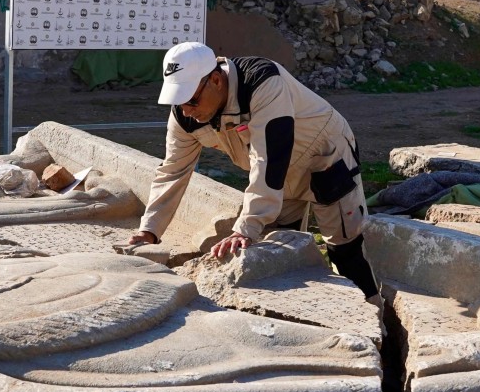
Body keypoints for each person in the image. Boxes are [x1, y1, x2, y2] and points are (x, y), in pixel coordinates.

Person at [126, 42, 380, 300]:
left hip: (326, 157)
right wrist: (149, 231)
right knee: (282, 251)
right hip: (277, 175)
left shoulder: (262, 82)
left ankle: (376, 316)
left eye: (191, 99)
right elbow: (172, 170)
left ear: (216, 80)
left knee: (346, 251)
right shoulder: (185, 115)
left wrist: (245, 228)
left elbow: (267, 158)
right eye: (178, 100)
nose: (186, 110)